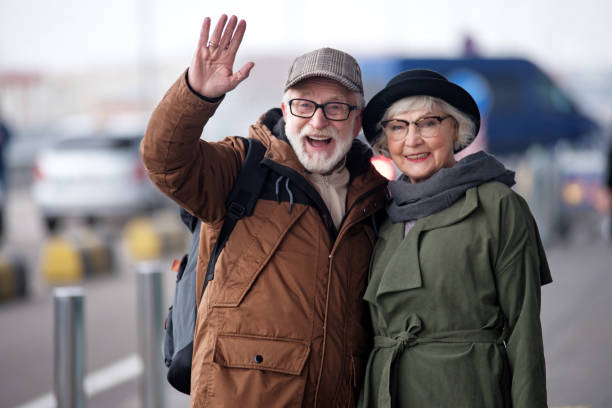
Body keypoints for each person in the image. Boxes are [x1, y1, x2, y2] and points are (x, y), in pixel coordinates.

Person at [140, 14, 387, 407]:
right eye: (304, 105)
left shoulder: (373, 197)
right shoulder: (242, 167)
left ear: (356, 122)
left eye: (336, 108)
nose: (318, 120)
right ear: (286, 111)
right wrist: (196, 95)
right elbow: (165, 161)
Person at [357, 69, 552, 407]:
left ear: (455, 129)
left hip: (466, 390)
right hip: (386, 394)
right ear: (385, 141)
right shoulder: (379, 212)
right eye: (398, 126)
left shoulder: (498, 205)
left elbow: (525, 334)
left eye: (428, 123)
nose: (412, 140)